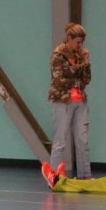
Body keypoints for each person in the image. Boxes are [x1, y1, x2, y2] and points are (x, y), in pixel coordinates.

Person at [42, 22, 92, 185]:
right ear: (69, 38)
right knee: (60, 141)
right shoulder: (58, 55)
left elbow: (86, 80)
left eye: (81, 43)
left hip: (80, 101)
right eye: (77, 42)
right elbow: (59, 80)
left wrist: (86, 63)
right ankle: (54, 177)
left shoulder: (80, 55)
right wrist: (79, 68)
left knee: (82, 140)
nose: (80, 46)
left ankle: (85, 177)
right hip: (63, 102)